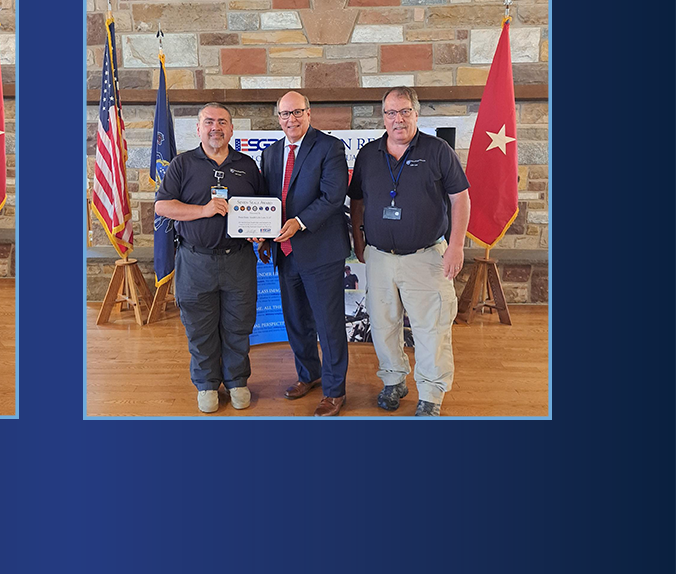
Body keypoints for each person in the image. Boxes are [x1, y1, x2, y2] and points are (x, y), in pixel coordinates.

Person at [348, 87, 471, 417]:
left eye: (404, 111)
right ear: (383, 116)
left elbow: (460, 199)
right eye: (390, 112)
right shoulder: (369, 154)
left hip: (426, 257)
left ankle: (431, 394)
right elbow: (357, 201)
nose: (397, 119)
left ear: (416, 114)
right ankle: (393, 381)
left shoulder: (437, 150)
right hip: (379, 258)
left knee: (431, 328)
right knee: (383, 324)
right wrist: (358, 241)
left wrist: (456, 245)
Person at [155, 103, 265, 413]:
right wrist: (203, 210)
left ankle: (237, 380)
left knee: (238, 324)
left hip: (239, 260)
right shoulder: (182, 164)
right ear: (199, 128)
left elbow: (262, 208)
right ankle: (206, 384)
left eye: (222, 122)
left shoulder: (248, 165)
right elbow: (163, 207)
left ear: (231, 129)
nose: (215, 127)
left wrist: (260, 231)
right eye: (209, 122)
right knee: (200, 327)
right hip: (195, 261)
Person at [257, 91, 352, 417]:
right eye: (285, 114)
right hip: (285, 252)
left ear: (309, 113)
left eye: (297, 112)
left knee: (328, 325)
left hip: (321, 251)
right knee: (296, 321)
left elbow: (333, 196)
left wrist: (298, 223)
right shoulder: (270, 154)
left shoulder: (329, 147)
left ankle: (335, 390)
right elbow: (269, 202)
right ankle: (308, 374)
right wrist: (264, 236)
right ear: (278, 118)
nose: (291, 120)